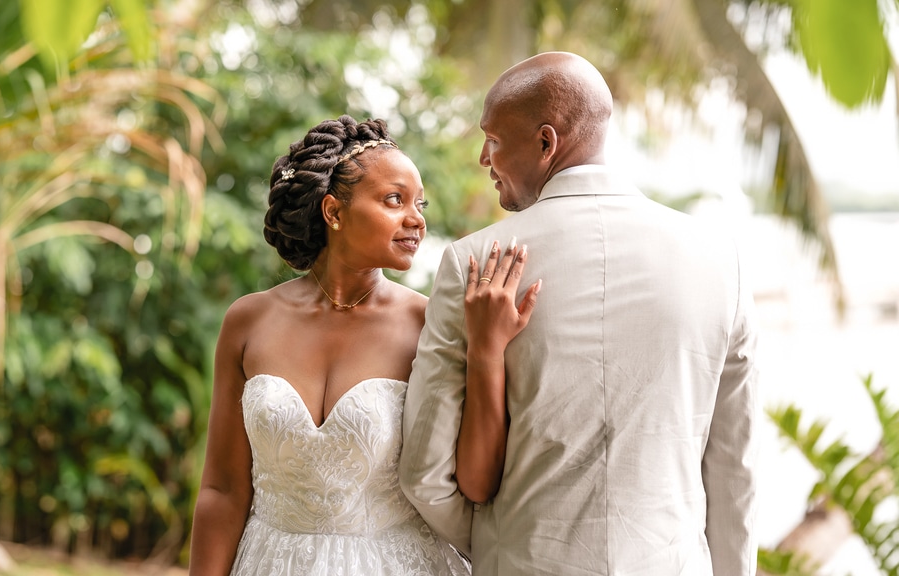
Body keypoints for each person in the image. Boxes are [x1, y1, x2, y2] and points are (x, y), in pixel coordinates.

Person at [399, 51, 760, 576]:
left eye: (493, 139)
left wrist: (507, 545)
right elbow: (735, 468)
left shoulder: (475, 263)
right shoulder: (720, 261)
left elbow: (425, 473)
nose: (483, 158)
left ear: (547, 143)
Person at [188, 115, 531, 575]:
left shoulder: (431, 324)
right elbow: (223, 491)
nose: (417, 220)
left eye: (420, 204)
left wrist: (486, 352)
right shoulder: (249, 321)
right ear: (333, 212)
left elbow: (477, 482)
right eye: (395, 200)